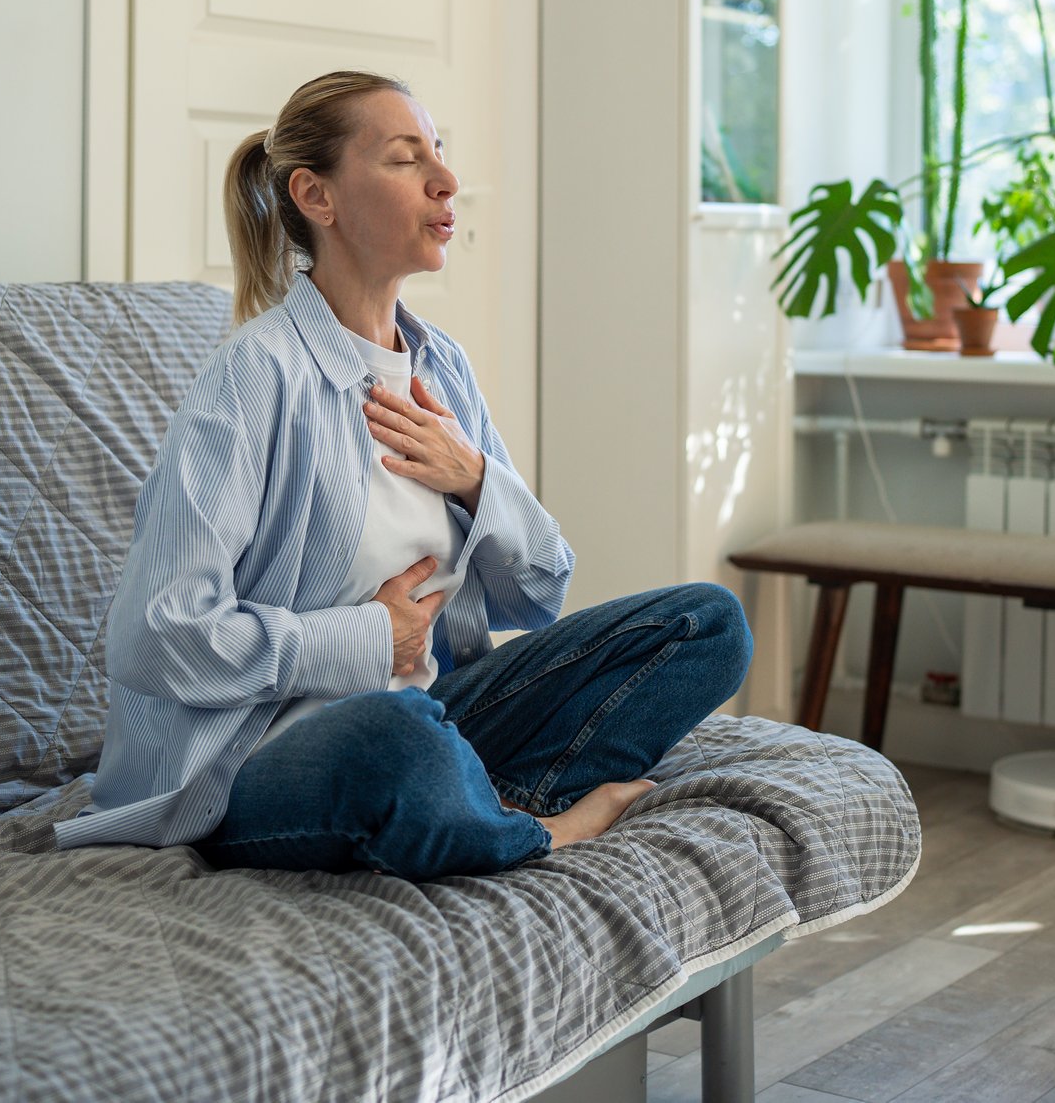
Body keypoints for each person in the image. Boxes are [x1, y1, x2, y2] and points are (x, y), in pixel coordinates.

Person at [53, 69, 752, 881]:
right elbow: (157, 633)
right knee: (396, 738)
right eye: (404, 157)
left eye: (440, 153)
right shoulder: (255, 375)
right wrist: (365, 638)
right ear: (318, 196)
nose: (446, 179)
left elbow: (540, 590)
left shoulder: (439, 366)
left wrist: (476, 478)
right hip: (271, 754)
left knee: (707, 624)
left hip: (434, 717)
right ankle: (542, 830)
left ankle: (471, 802)